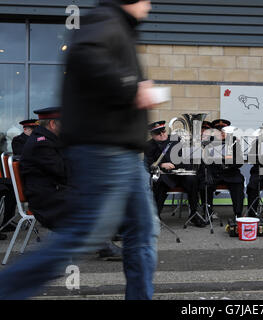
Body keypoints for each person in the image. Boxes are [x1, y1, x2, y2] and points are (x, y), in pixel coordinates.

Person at [0, 0, 158, 300]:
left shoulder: (115, 26)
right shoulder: (106, 21)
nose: (149, 7)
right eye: (146, 1)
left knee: (142, 234)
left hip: (123, 152)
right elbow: (86, 57)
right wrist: (132, 86)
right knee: (84, 235)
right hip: (108, 149)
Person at [144, 120, 205, 227]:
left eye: (163, 131)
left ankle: (193, 214)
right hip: (163, 174)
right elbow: (148, 164)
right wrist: (162, 165)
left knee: (192, 180)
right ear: (152, 135)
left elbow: (182, 158)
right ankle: (156, 216)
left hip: (179, 173)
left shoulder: (175, 140)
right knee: (159, 183)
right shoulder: (149, 145)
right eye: (158, 133)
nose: (162, 134)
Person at [19, 108, 67, 230]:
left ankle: (101, 241)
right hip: (46, 201)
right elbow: (62, 172)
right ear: (52, 124)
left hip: (51, 194)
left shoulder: (45, 139)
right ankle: (101, 243)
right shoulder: (41, 143)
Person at [200, 119, 245, 219]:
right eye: (219, 131)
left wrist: (228, 159)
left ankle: (238, 214)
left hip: (230, 173)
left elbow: (240, 162)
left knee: (238, 182)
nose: (221, 133)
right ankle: (207, 212)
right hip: (214, 173)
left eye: (224, 131)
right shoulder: (208, 142)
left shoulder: (234, 142)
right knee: (205, 183)